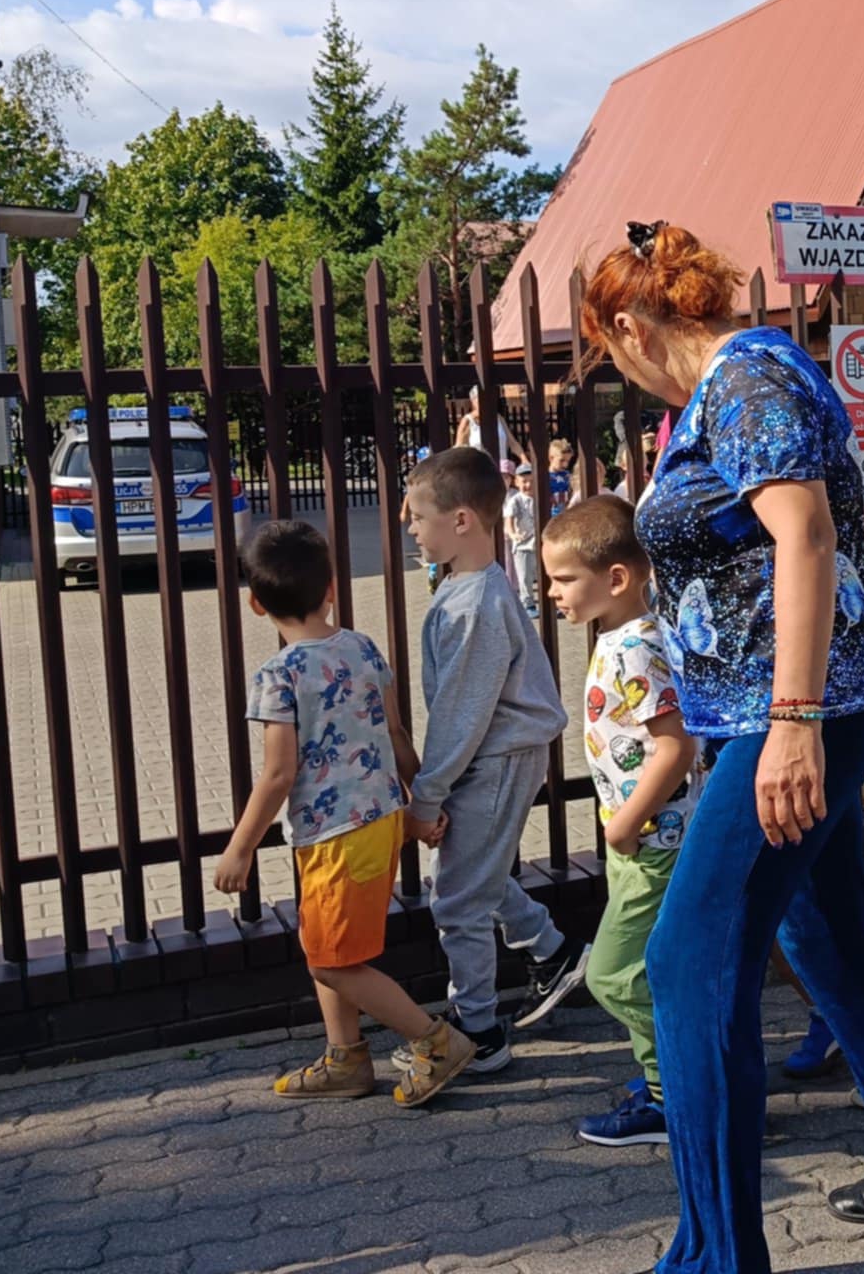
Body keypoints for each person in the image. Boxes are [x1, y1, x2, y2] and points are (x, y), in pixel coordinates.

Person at [580, 221, 864, 1272]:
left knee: (685, 961)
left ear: (630, 327)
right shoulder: (731, 388)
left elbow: (804, 537)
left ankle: (716, 1258)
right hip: (770, 716)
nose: (621, 372)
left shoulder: (748, 382)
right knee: (827, 937)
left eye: (610, 354)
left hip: (796, 715)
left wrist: (794, 724)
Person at [217, 519, 475, 1106]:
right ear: (331, 588)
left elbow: (278, 775)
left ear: (255, 604)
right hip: (379, 823)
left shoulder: (279, 676)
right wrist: (422, 800)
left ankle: (436, 1042)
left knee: (334, 963)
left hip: (336, 837)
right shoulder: (361, 648)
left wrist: (240, 848)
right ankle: (346, 1058)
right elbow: (396, 733)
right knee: (325, 948)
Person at [403, 448, 587, 1072]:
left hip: (496, 756)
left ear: (461, 521)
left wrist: (427, 795)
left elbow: (461, 715)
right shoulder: (469, 588)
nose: (410, 527)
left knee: (457, 899)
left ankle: (478, 1031)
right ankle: (553, 951)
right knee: (474, 873)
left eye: (419, 516)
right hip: (496, 755)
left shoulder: (473, 605)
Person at [541, 495, 703, 1148]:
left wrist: (624, 824)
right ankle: (669, 1084)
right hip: (643, 837)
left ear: (616, 578)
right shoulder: (623, 636)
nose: (551, 592)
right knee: (649, 967)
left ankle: (682, 1093)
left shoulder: (636, 647)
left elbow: (675, 745)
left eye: (563, 578)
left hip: (651, 840)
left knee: (613, 975)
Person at [455, 384, 531, 471]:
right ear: (473, 401)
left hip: (501, 469)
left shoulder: (498, 418)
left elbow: (512, 442)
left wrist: (524, 459)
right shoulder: (467, 421)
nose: (484, 402)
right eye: (480, 399)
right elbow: (459, 448)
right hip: (478, 471)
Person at [506, 462, 540, 618]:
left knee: (541, 573)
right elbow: (508, 521)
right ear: (517, 482)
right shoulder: (515, 500)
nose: (528, 485)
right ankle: (528, 603)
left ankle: (548, 601)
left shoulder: (540, 498)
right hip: (522, 545)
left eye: (532, 481)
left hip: (538, 542)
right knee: (524, 576)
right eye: (524, 481)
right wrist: (513, 534)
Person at [546, 438, 577, 516]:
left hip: (566, 514)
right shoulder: (545, 477)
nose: (565, 464)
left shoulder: (567, 475)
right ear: (551, 458)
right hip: (550, 516)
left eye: (568, 461)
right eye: (562, 460)